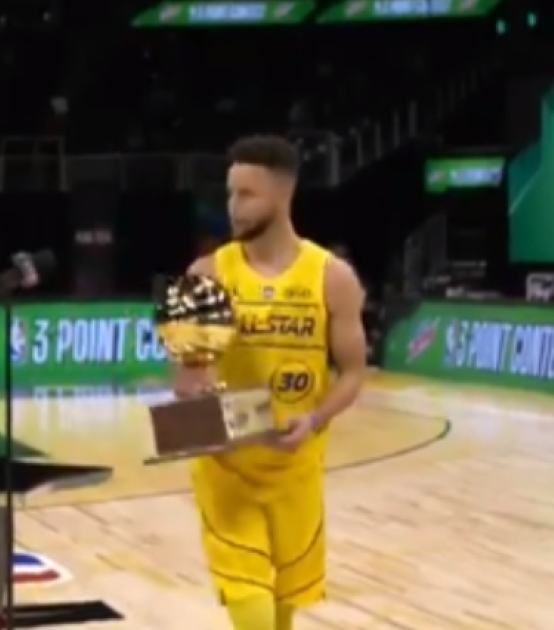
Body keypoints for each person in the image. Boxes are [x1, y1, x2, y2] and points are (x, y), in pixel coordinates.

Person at [174, 135, 368, 630]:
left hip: (297, 472)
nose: (232, 207)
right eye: (230, 193)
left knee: (281, 617)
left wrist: (316, 418)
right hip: (228, 474)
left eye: (246, 194)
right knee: (254, 614)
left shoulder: (333, 277)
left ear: (283, 195)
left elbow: (354, 373)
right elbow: (187, 383)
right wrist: (218, 408)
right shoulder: (204, 274)